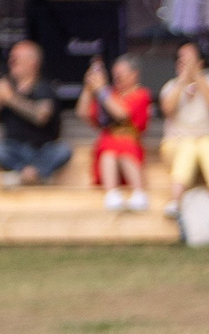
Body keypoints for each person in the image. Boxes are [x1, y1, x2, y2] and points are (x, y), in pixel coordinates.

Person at [0, 39, 70, 186]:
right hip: (15, 148)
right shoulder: (8, 85)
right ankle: (36, 174)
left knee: (63, 150)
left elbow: (41, 116)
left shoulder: (45, 88)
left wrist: (10, 98)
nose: (11, 61)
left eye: (16, 58)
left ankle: (20, 176)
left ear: (32, 63)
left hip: (42, 149)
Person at [81, 54, 151, 210]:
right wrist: (89, 88)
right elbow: (83, 113)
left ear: (134, 74)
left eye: (122, 73)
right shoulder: (110, 94)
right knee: (108, 151)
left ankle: (139, 193)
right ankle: (112, 193)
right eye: (116, 74)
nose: (117, 77)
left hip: (131, 145)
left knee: (121, 149)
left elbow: (122, 114)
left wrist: (102, 90)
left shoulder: (141, 94)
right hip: (108, 147)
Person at [160, 41, 209, 216]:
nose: (184, 63)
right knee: (188, 145)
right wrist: (182, 82)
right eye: (180, 60)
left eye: (189, 59)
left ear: (200, 62)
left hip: (205, 143)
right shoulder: (171, 86)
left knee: (205, 145)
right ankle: (175, 201)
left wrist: (197, 77)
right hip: (176, 145)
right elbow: (167, 109)